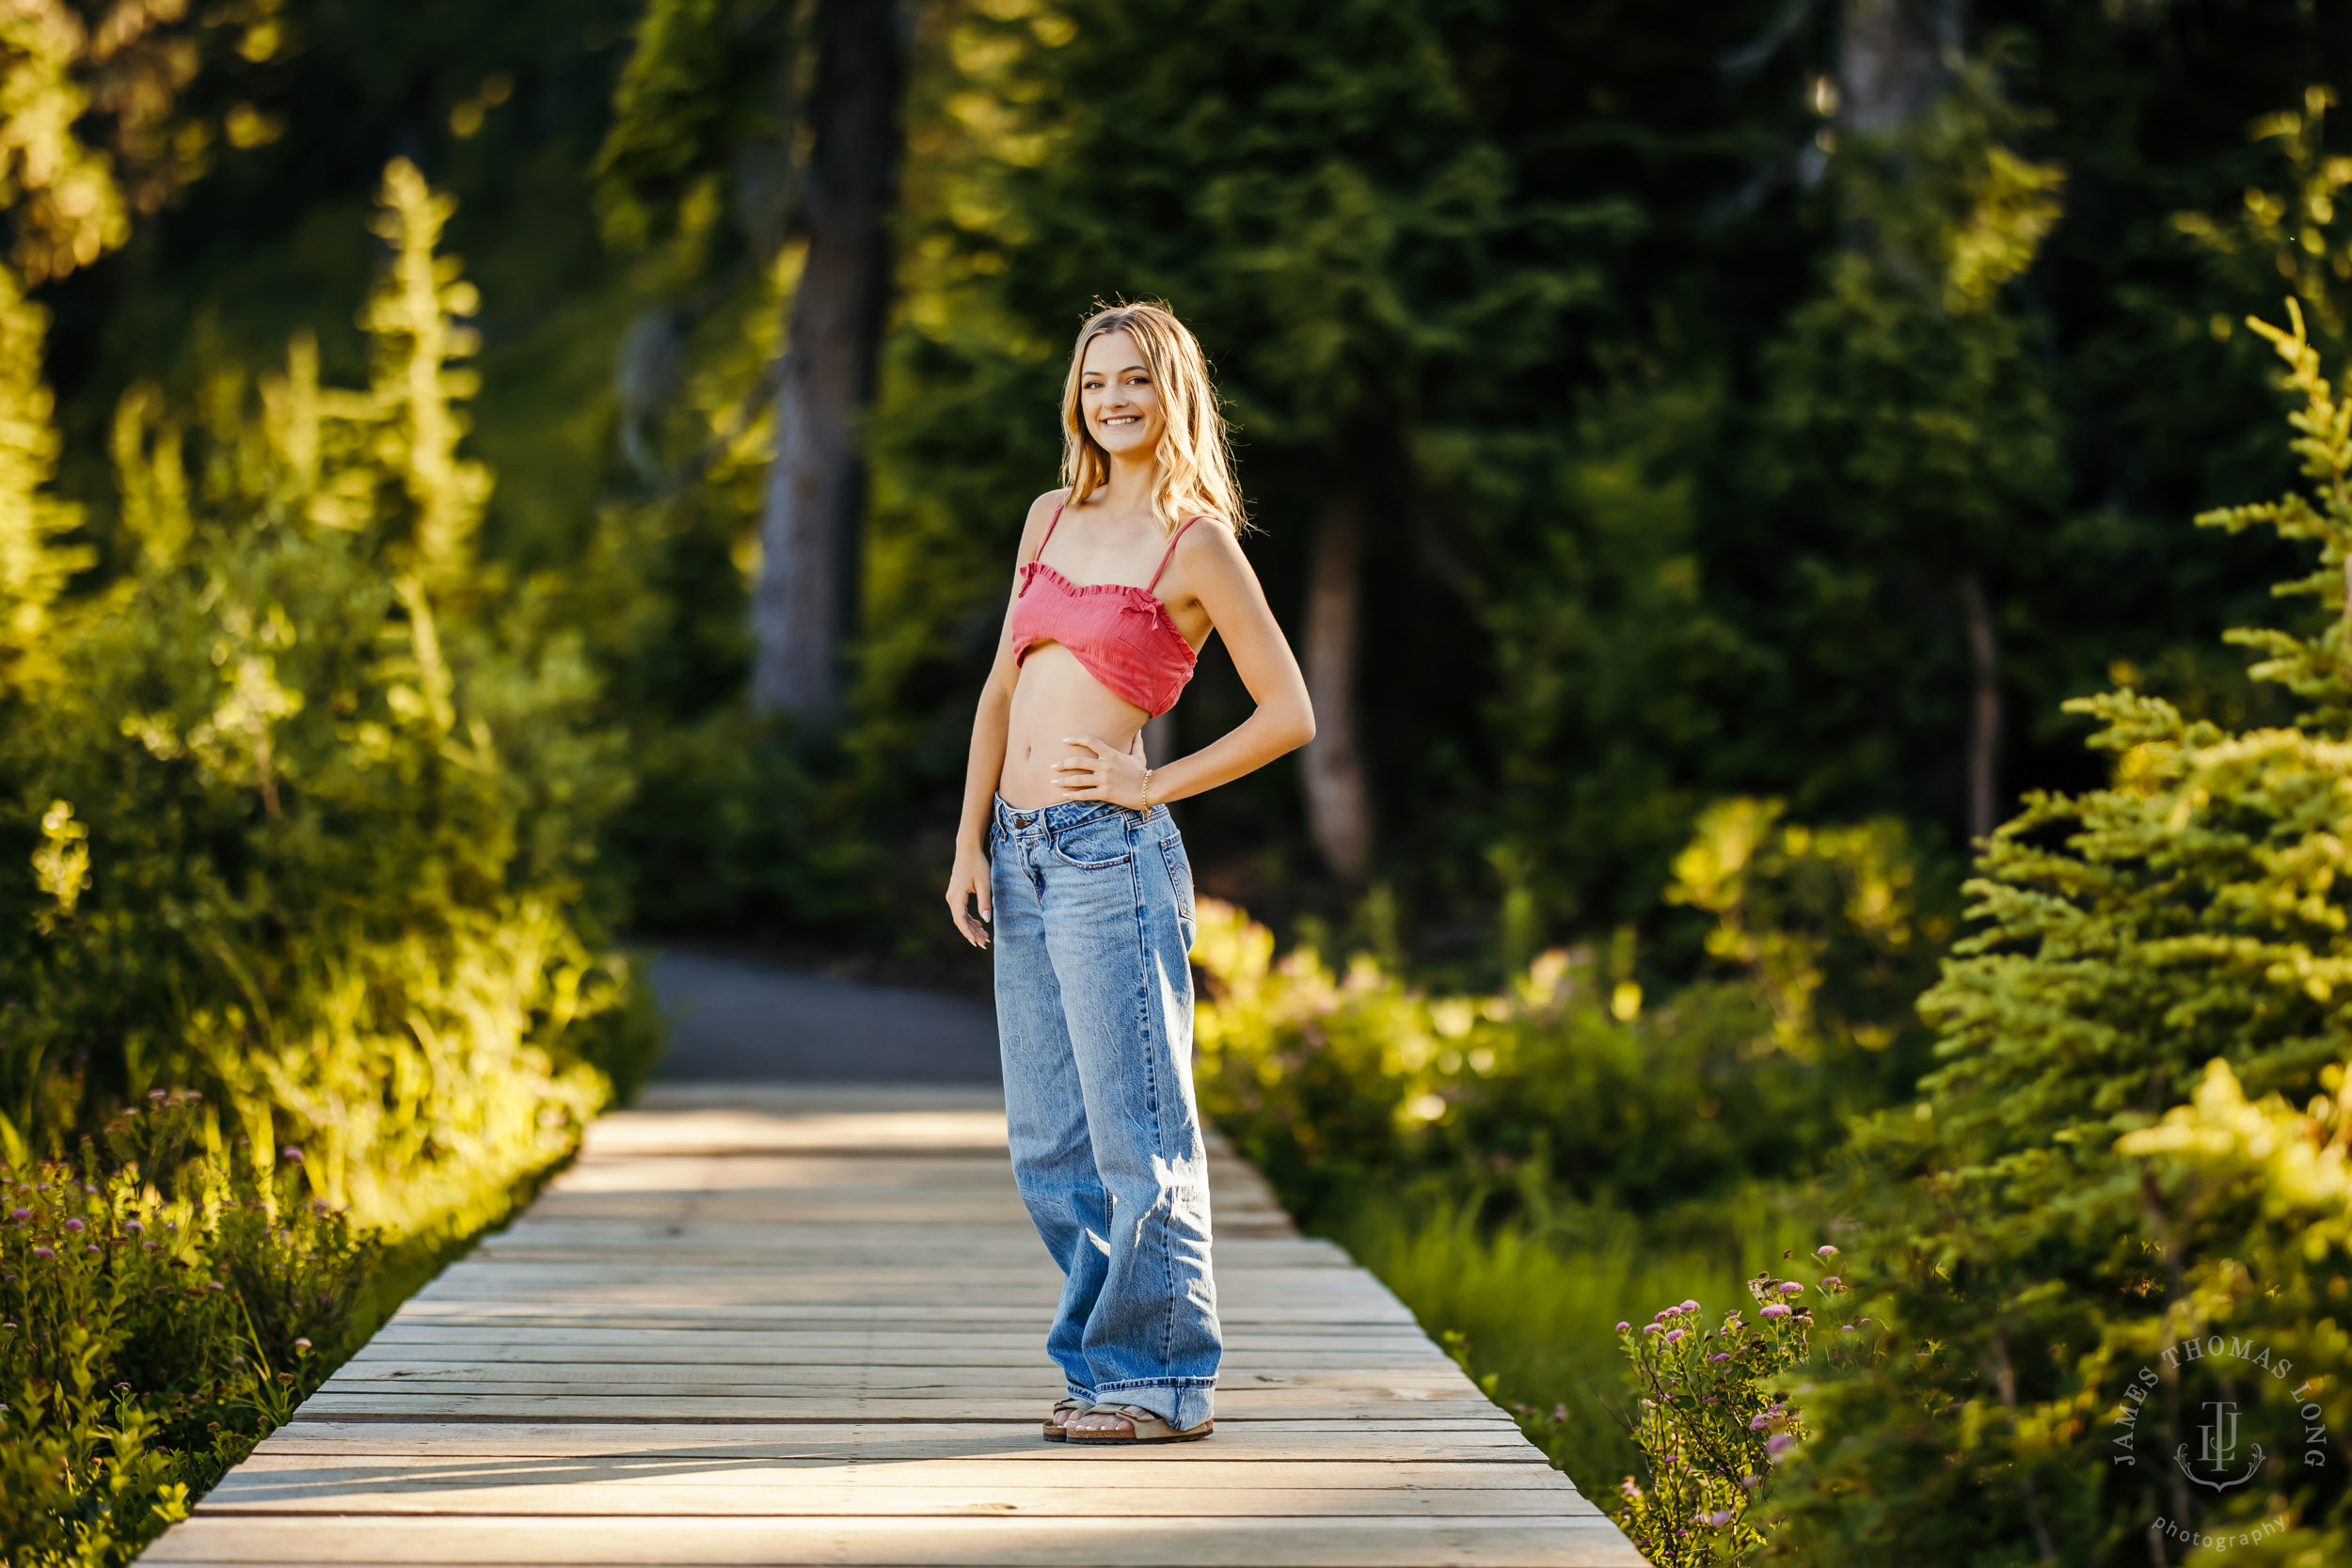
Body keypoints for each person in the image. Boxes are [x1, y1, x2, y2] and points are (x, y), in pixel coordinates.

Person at [943, 301, 1315, 1445]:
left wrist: (1150, 784)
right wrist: (967, 840)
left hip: (1110, 855)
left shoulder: (1194, 541)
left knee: (1136, 1134)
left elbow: (1288, 712)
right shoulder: (1049, 514)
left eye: (1135, 383)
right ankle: (1102, 1364)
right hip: (1020, 850)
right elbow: (1003, 690)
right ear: (1077, 396)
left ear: (1172, 396)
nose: (1113, 401)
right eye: (1096, 382)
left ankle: (1160, 1379)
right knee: (1048, 1141)